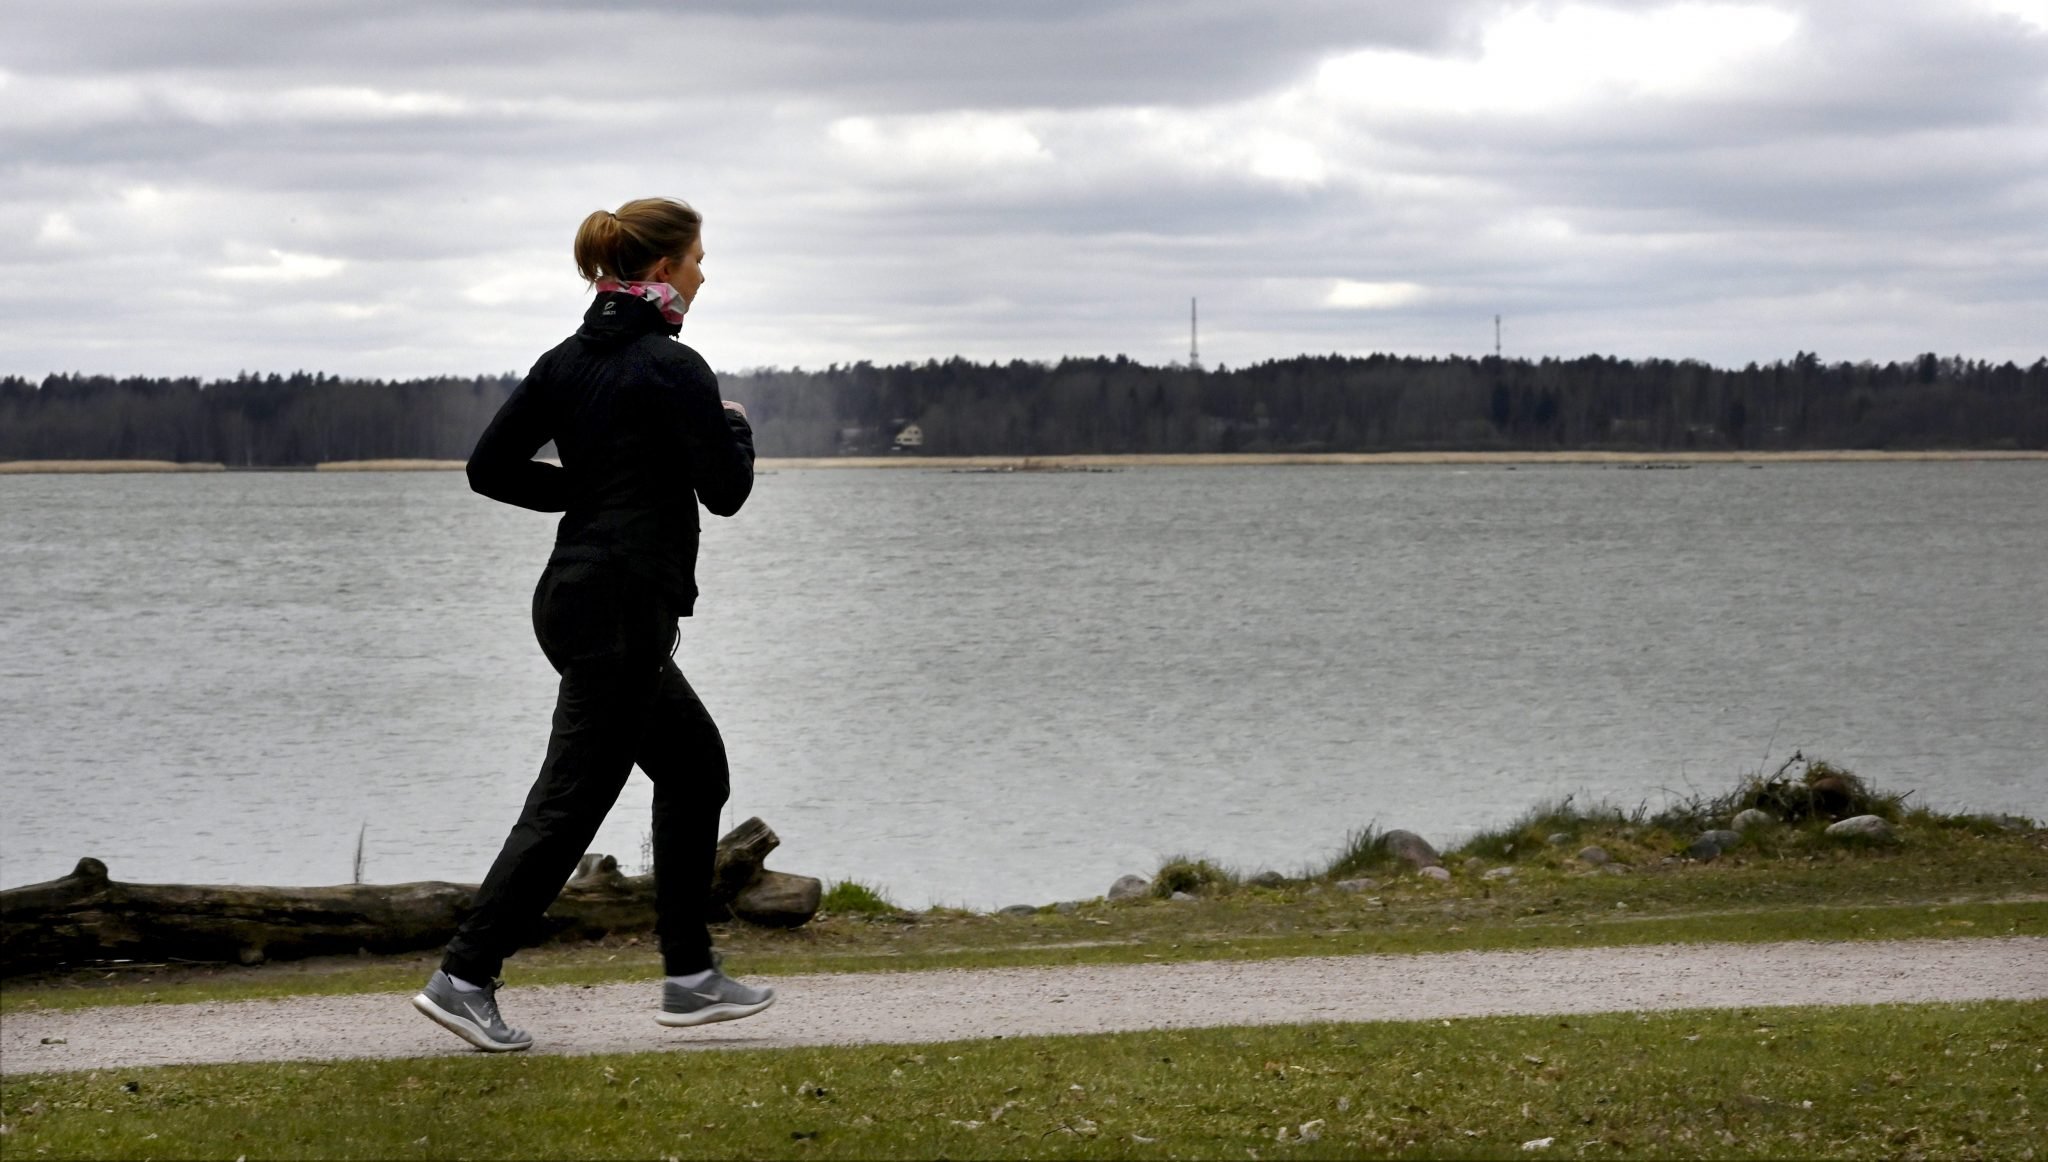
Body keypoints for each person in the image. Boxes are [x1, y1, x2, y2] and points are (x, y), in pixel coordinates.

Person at [412, 196, 772, 1052]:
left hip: (576, 599)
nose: (702, 272)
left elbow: (489, 468)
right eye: (695, 259)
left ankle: (690, 979)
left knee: (692, 769)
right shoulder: (673, 367)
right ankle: (464, 975)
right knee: (572, 798)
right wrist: (737, 432)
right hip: (616, 609)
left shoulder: (565, 361)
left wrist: (587, 490)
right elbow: (725, 492)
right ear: (659, 272)